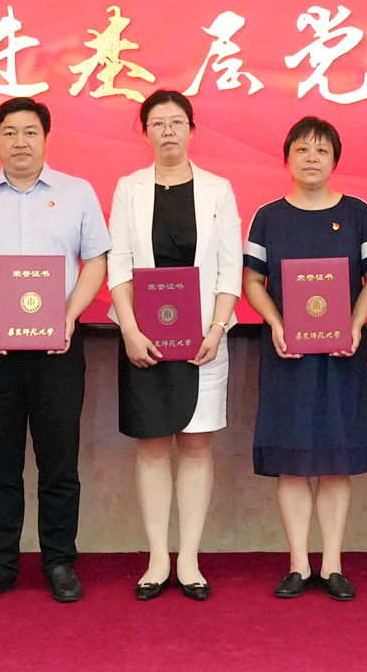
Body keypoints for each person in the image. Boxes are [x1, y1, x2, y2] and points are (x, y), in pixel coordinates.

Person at [0, 98, 112, 604]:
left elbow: (96, 261)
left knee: (60, 464)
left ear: (46, 138)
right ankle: (0, 563)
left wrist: (70, 315)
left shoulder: (78, 193)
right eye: (10, 132)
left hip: (59, 348)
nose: (21, 141)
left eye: (30, 132)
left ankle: (59, 561)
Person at [243, 116, 367, 601]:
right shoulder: (268, 216)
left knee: (336, 460)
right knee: (292, 460)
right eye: (302, 149)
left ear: (334, 160)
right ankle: (299, 565)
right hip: (287, 353)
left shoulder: (357, 212)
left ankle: (333, 565)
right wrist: (276, 323)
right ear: (287, 158)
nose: (311, 158)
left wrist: (356, 324)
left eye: (321, 150)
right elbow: (252, 282)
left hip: (343, 353)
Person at [108, 89, 243, 601]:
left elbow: (230, 267)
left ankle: (188, 558)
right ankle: (157, 558)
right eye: (158, 123)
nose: (168, 131)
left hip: (204, 338)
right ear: (144, 132)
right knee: (151, 444)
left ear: (191, 129)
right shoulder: (128, 188)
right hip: (143, 338)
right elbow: (119, 263)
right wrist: (128, 329)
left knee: (195, 444)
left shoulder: (217, 189)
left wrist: (217, 328)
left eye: (177, 122)